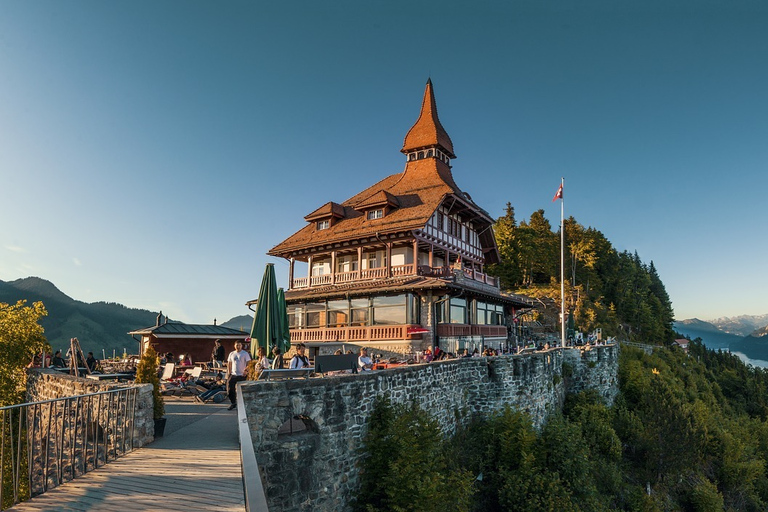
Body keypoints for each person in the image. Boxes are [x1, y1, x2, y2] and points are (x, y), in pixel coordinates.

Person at [226, 341, 251, 410]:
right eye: (237, 345)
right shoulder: (232, 354)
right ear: (234, 346)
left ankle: (243, 404)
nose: (238, 347)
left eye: (239, 345)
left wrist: (246, 371)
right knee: (230, 389)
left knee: (243, 390)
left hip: (242, 375)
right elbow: (229, 363)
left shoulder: (245, 354)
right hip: (233, 374)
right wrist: (229, 372)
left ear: (241, 346)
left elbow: (249, 363)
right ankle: (233, 403)